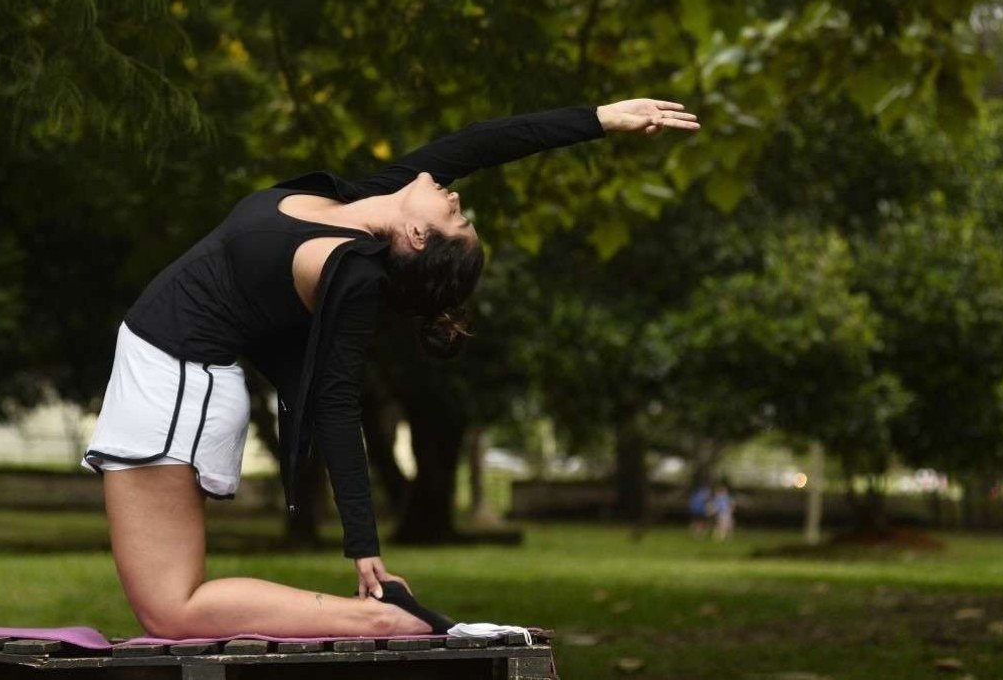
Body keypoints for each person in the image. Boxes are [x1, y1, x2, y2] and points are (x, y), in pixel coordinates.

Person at [79, 97, 701, 639]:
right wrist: (598, 119)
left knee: (171, 609)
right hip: (166, 374)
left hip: (177, 381)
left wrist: (363, 545)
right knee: (167, 609)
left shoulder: (347, 271)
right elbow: (474, 144)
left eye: (456, 217)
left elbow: (338, 402)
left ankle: (377, 617)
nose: (456, 197)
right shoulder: (358, 204)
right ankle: (376, 616)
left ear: (420, 237)